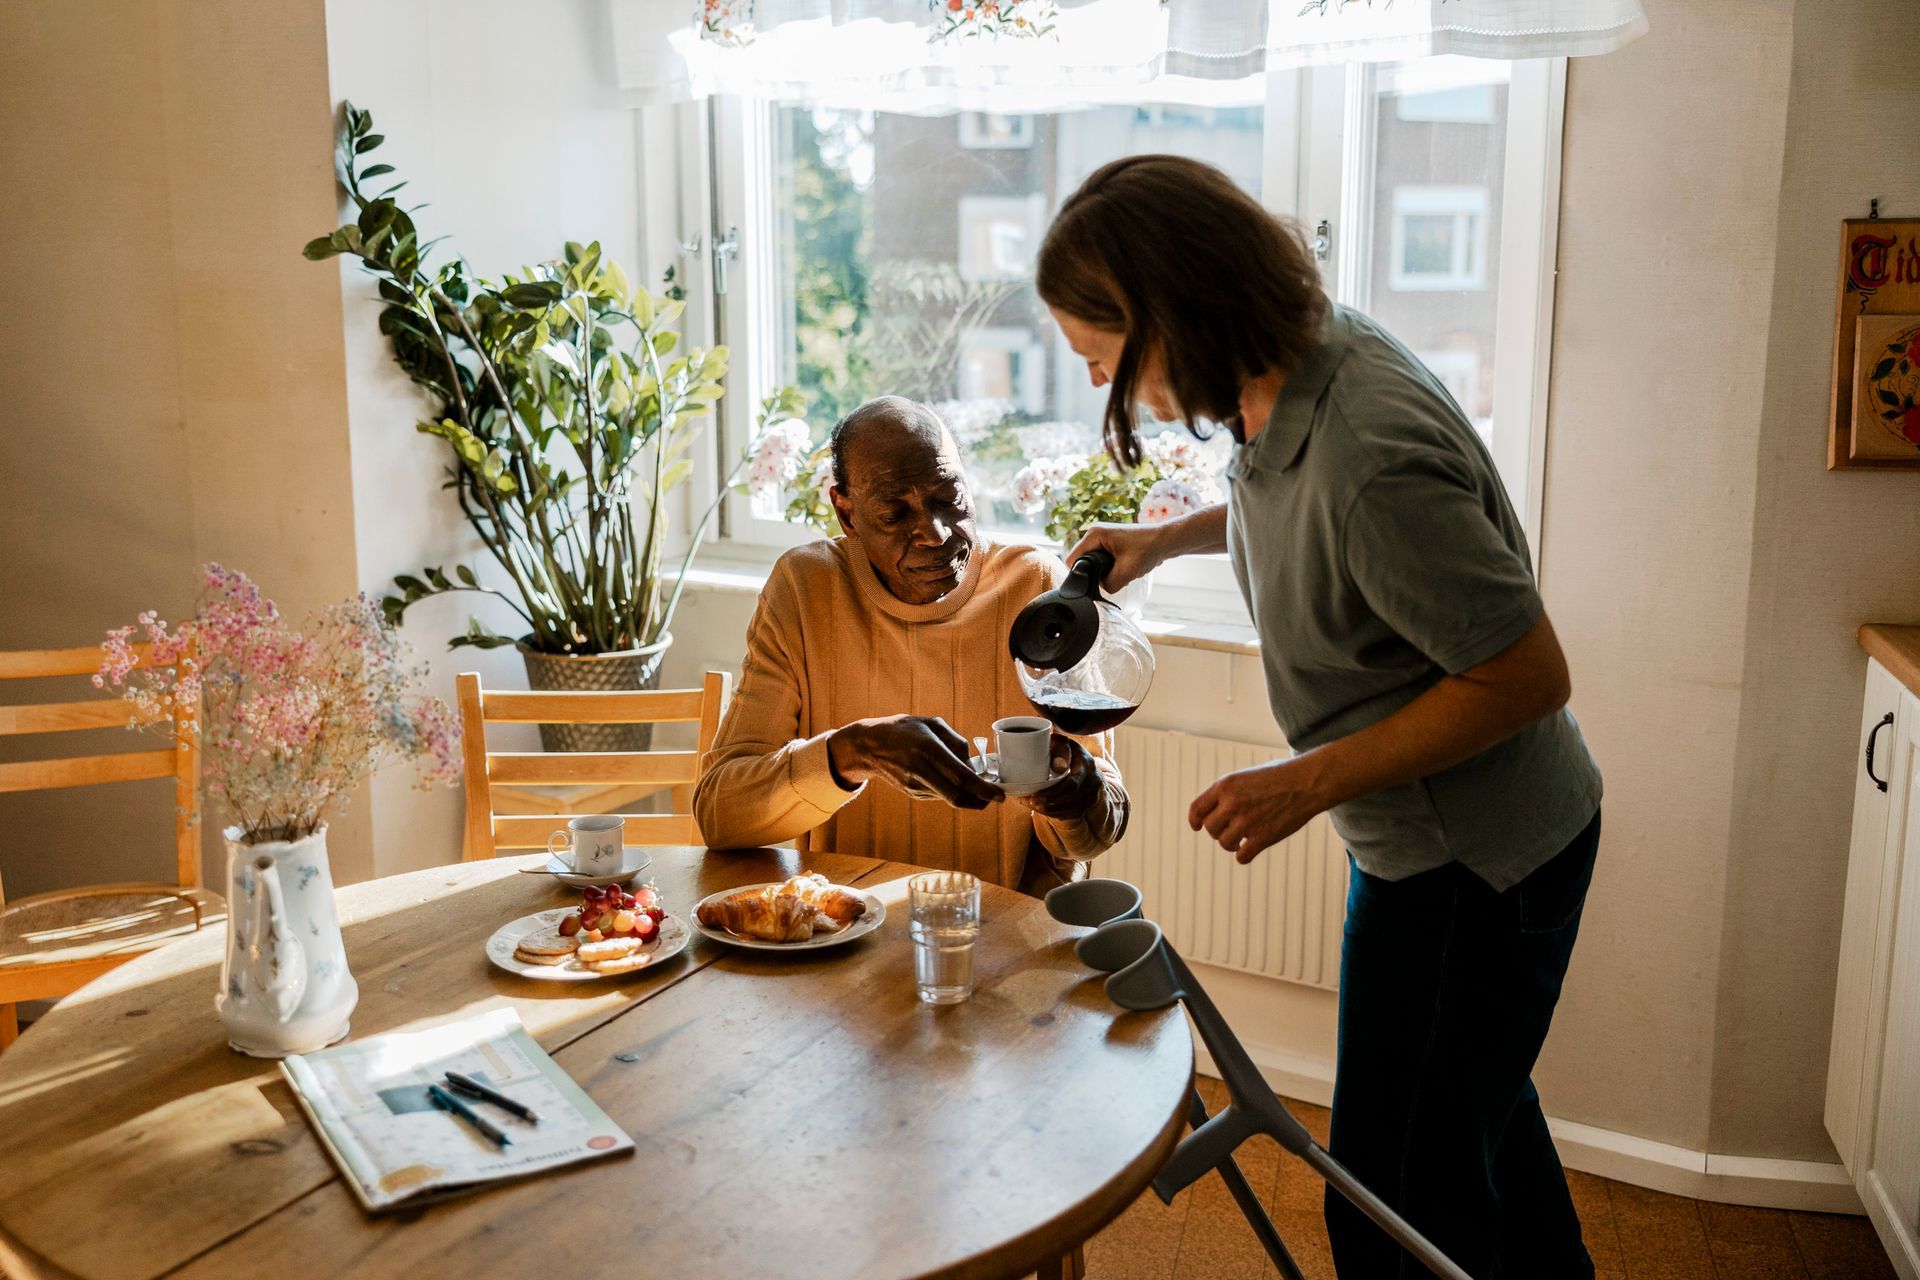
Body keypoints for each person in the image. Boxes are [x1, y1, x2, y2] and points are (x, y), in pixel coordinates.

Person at [1038, 155, 1604, 1279]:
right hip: (1428, 847)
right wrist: (1162, 540)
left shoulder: (1369, 451)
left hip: (1475, 866)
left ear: (1171, 316)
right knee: (1480, 1132)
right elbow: (1275, 492)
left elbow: (1529, 673)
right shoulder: (1290, 361)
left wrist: (1308, 779)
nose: (1117, 390)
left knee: (1392, 1203)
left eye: (1106, 360)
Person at [693, 395, 1129, 894]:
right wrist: (851, 753)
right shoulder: (804, 588)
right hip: (844, 933)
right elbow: (720, 814)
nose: (935, 533)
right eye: (895, 514)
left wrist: (1079, 799)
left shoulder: (1037, 586)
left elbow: (1102, 825)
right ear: (847, 514)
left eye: (949, 498)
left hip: (1005, 930)